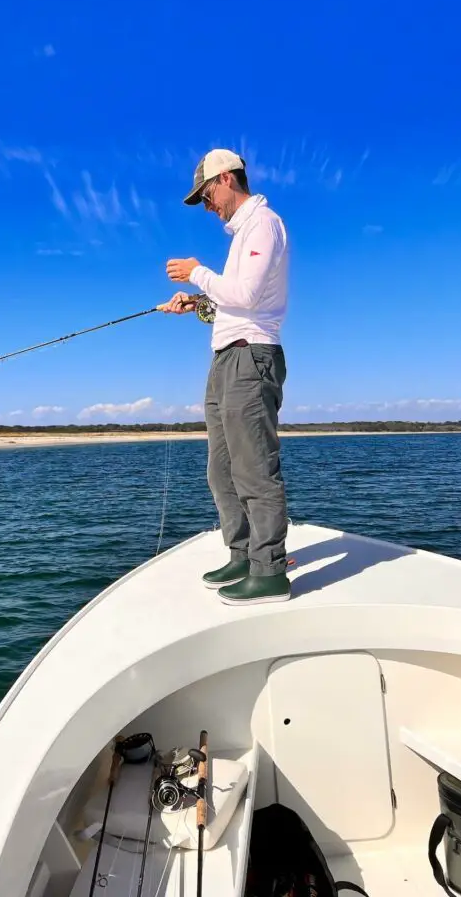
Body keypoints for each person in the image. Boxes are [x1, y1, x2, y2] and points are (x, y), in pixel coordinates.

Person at [161, 148, 291, 605]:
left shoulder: (263, 223)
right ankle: (242, 555)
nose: (206, 205)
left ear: (225, 180)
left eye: (206, 195)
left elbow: (250, 295)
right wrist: (196, 304)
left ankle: (269, 569)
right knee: (221, 471)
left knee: (254, 468)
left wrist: (197, 274)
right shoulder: (241, 235)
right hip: (224, 359)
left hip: (250, 358)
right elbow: (231, 301)